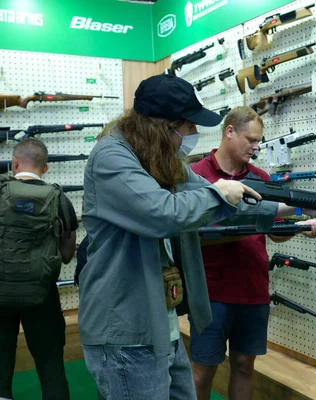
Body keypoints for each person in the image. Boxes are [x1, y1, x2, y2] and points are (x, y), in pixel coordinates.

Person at [78, 74, 278, 400]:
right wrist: (219, 194)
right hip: (125, 328)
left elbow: (217, 201)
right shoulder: (111, 156)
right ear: (162, 124)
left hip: (161, 322)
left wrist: (289, 209)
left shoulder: (158, 158)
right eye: (188, 128)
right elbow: (163, 214)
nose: (193, 136)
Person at [189, 106, 316, 400]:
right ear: (229, 132)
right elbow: (189, 234)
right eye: (250, 139)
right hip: (211, 292)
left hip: (252, 289)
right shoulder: (197, 175)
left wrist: (304, 223)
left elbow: (274, 231)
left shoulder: (260, 178)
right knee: (201, 371)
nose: (256, 146)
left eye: (258, 141)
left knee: (243, 367)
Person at [0, 138, 78, 400]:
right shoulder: (58, 199)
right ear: (45, 169)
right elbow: (67, 255)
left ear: (14, 162)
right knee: (51, 367)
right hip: (42, 296)